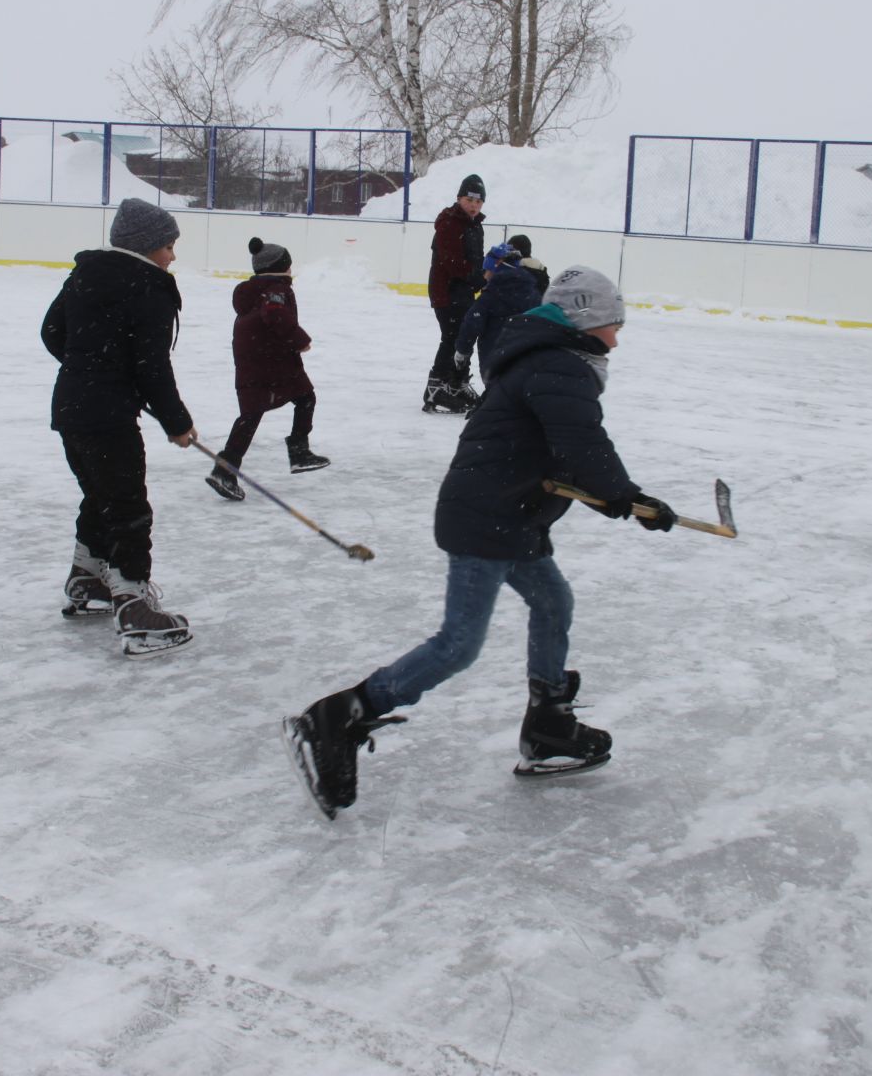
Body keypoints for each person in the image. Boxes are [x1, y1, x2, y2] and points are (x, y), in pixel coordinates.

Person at [284, 265, 679, 818]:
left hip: (511, 513)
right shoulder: (558, 366)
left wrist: (622, 496)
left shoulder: (549, 360)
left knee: (552, 601)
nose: (618, 335)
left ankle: (547, 726)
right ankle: (341, 714)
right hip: (488, 517)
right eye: (614, 323)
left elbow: (566, 448)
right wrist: (625, 496)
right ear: (588, 322)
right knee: (458, 644)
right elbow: (581, 442)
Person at [41, 197, 197, 656]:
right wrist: (177, 421)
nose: (172, 255)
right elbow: (152, 365)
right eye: (169, 245)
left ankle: (87, 578)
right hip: (108, 416)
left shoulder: (86, 274)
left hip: (70, 409)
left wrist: (92, 369)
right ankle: (133, 606)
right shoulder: (149, 285)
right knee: (128, 505)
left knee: (101, 494)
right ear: (148, 245)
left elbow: (53, 332)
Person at [207, 237, 330, 501]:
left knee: (256, 413)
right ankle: (297, 451)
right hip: (272, 364)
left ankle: (226, 468)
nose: (290, 271)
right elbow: (274, 313)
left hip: (255, 362)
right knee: (302, 399)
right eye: (288, 266)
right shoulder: (276, 288)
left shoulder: (254, 290)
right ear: (280, 267)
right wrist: (300, 340)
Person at [423, 173, 487, 414]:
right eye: (469, 199)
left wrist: (483, 275)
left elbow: (474, 259)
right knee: (452, 338)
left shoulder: (474, 225)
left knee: (461, 338)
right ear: (459, 198)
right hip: (447, 291)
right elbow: (451, 261)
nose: (474, 205)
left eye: (479, 201)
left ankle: (455, 385)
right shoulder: (450, 222)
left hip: (463, 291)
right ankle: (436, 389)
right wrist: (477, 277)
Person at [452, 241, 541, 387]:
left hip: (494, 360)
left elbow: (471, 324)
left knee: (497, 396)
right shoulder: (533, 293)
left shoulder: (489, 296)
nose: (485, 276)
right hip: (525, 359)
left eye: (486, 270)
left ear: (497, 267)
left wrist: (462, 351)